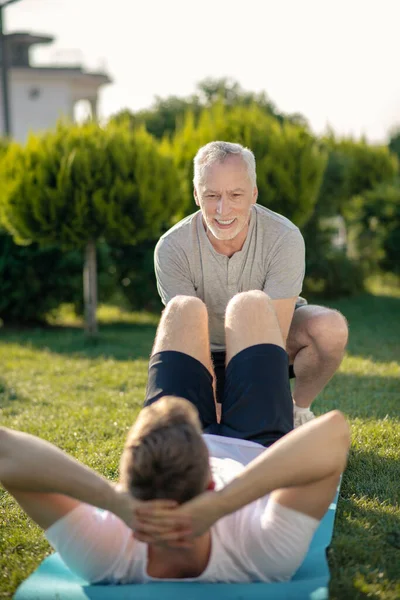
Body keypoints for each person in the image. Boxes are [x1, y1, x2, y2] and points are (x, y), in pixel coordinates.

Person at [0, 292, 350, 584]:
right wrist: (224, 503)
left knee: (184, 306)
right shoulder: (259, 554)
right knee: (250, 304)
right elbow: (335, 433)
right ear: (211, 485)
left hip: (170, 441)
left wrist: (112, 501)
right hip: (256, 445)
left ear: (128, 487)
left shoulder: (107, 554)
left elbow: (6, 451)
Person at [155, 141, 349, 427]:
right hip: (205, 348)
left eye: (235, 194)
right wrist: (215, 413)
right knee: (197, 428)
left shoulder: (284, 237)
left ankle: (298, 410)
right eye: (212, 195)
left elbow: (275, 335)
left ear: (254, 194)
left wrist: (265, 403)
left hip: (266, 341)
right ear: (196, 195)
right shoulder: (172, 247)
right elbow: (187, 333)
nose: (223, 209)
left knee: (329, 327)